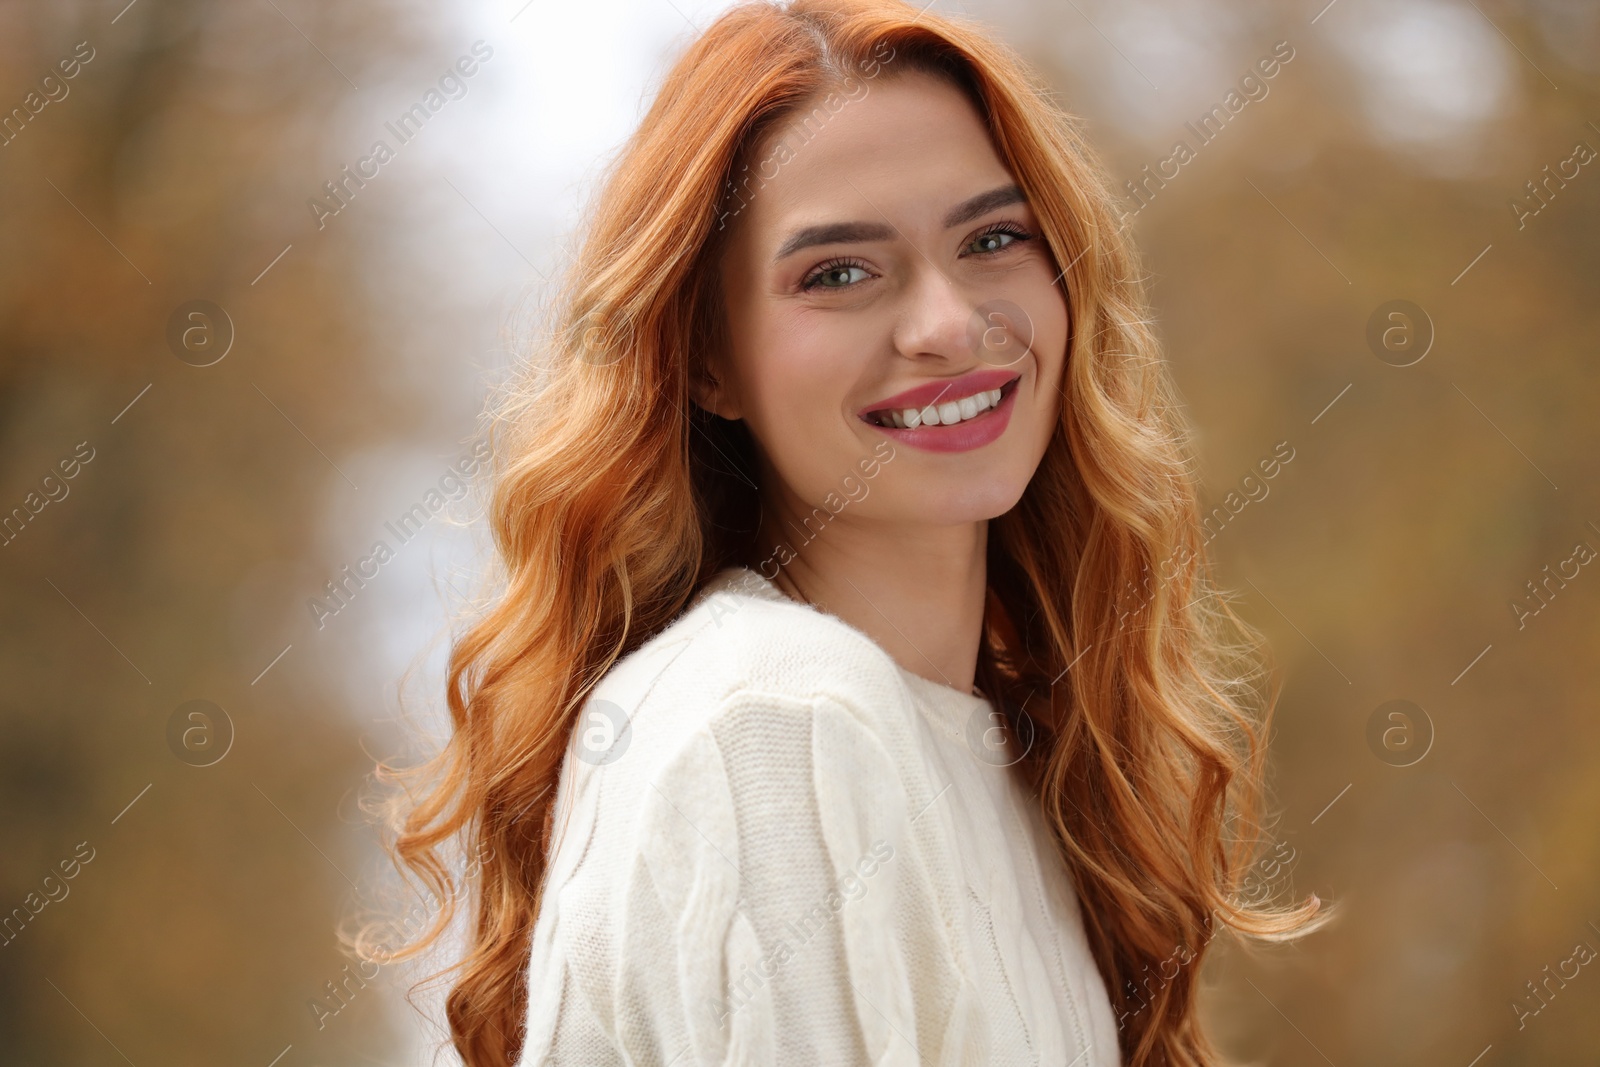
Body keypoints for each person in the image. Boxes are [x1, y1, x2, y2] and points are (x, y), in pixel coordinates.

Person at [369, 2, 1329, 1064]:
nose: (950, 325)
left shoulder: (1000, 759)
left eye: (993, 239)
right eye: (837, 272)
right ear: (705, 359)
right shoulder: (778, 726)